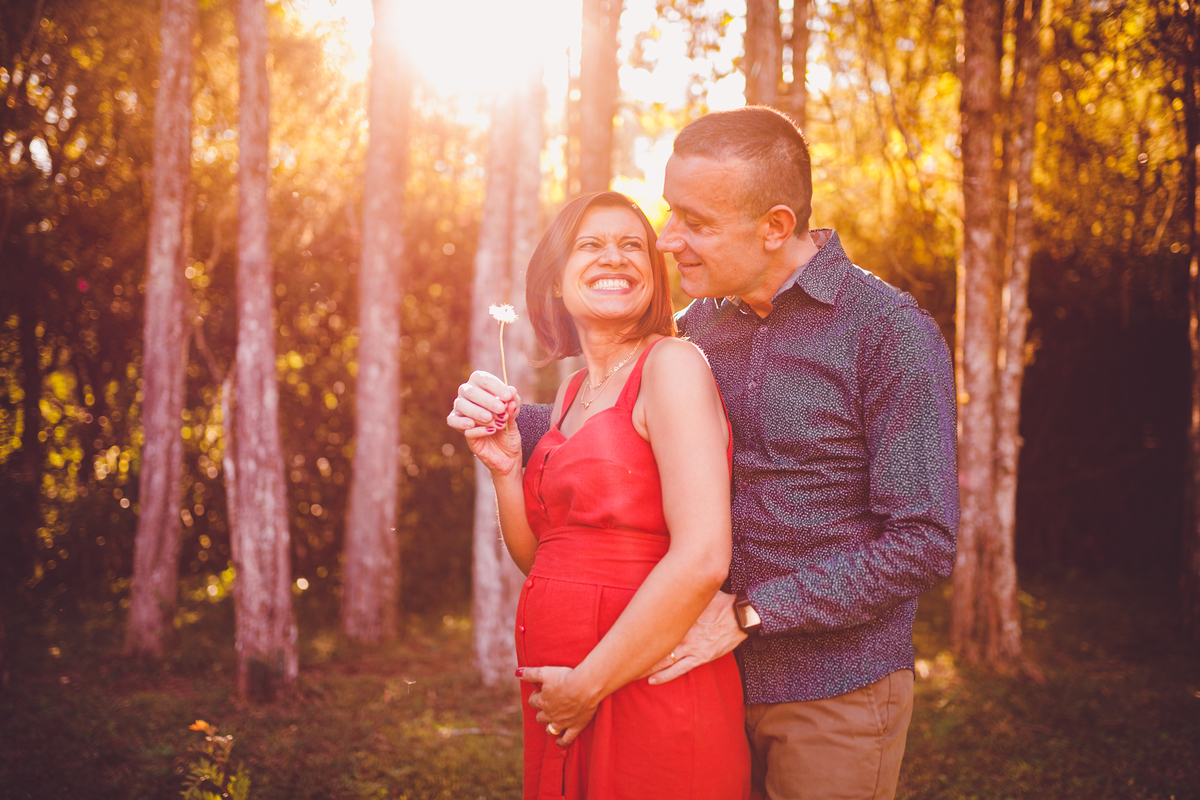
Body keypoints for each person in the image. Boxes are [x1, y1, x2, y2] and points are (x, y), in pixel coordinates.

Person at [450, 107, 959, 800]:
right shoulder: (703, 322)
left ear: (774, 226)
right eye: (671, 213)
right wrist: (507, 417)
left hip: (830, 686)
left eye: (695, 222)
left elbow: (923, 541)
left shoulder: (888, 333)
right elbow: (618, 421)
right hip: (692, 669)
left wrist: (752, 611)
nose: (668, 240)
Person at [450, 190, 751, 799]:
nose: (614, 257)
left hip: (647, 685)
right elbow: (546, 559)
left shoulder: (672, 365)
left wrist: (588, 684)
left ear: (654, 275)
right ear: (556, 280)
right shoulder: (571, 394)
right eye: (590, 244)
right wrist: (506, 469)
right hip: (566, 698)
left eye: (632, 245)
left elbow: (702, 558)